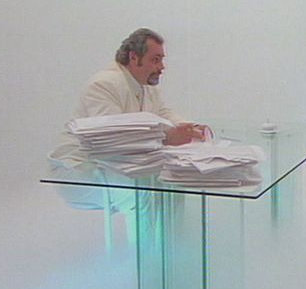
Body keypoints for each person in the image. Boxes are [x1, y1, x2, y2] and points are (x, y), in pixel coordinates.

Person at [48, 27, 208, 210]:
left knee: (173, 187)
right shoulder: (104, 84)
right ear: (133, 57)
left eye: (161, 60)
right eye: (155, 60)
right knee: (142, 193)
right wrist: (167, 138)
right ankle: (149, 231)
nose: (162, 67)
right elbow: (113, 138)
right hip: (78, 169)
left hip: (113, 166)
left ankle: (172, 231)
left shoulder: (147, 87)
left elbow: (164, 113)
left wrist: (191, 128)